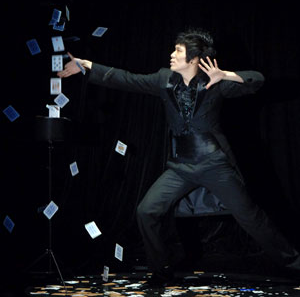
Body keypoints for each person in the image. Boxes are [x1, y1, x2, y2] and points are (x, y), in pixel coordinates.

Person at [58, 28, 300, 286]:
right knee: (146, 211)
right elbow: (127, 78)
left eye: (178, 51)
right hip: (181, 166)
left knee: (251, 217)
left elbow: (257, 80)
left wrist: (226, 75)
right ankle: (161, 270)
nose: (172, 55)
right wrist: (86, 65)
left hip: (214, 164)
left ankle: (295, 263)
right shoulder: (164, 79)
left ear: (194, 59)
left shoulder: (216, 83)